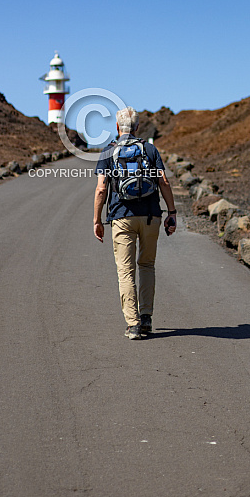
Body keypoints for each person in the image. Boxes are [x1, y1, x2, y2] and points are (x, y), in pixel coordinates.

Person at [93, 107, 177, 340]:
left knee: (125, 271)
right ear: (138, 128)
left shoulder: (108, 152)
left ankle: (133, 324)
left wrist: (97, 220)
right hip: (151, 216)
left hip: (121, 217)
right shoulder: (150, 149)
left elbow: (101, 189)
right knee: (147, 265)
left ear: (117, 128)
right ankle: (147, 317)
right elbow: (164, 182)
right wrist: (172, 211)